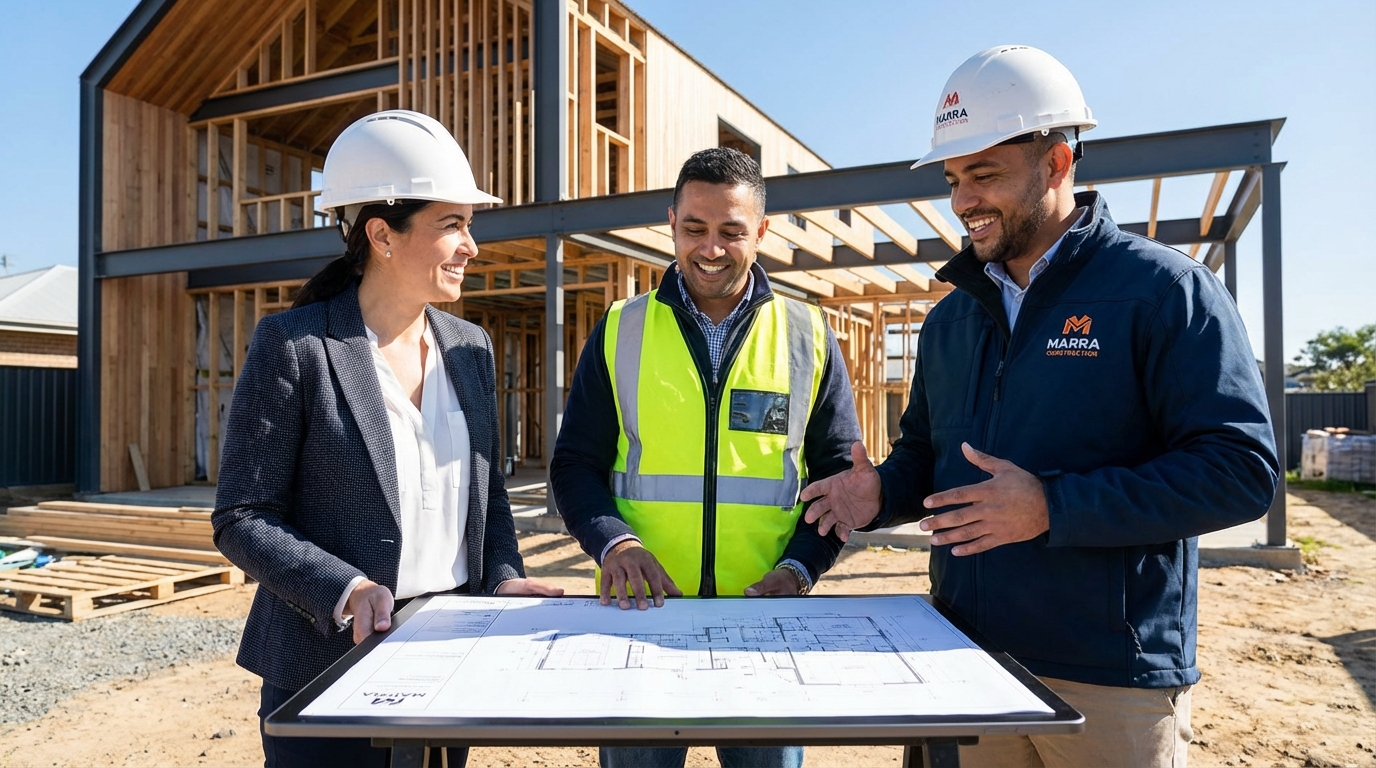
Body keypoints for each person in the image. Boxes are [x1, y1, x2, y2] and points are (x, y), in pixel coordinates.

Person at [802, 46, 1279, 768]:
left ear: (1056, 164)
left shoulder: (1162, 292)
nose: (963, 201)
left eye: (985, 174)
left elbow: (1240, 470)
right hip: (969, 658)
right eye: (955, 179)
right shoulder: (951, 321)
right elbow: (927, 458)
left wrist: (1052, 506)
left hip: (1110, 678)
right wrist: (882, 493)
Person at [212, 109, 563, 768]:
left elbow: (485, 498)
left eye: (469, 224)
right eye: (451, 224)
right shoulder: (297, 345)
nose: (471, 245)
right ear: (383, 234)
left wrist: (504, 578)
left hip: (448, 654)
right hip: (326, 664)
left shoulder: (470, 348)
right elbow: (241, 516)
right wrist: (345, 589)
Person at [550, 147, 863, 768]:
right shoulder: (620, 329)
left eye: (731, 232)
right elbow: (574, 464)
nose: (710, 248)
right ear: (672, 222)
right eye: (694, 228)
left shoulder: (807, 334)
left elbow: (837, 480)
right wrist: (614, 544)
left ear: (763, 232)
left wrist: (801, 569)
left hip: (762, 622)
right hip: (641, 617)